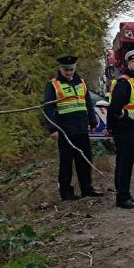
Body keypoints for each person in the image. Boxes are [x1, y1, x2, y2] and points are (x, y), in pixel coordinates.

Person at [42, 55, 103, 201]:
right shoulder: (53, 85)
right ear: (60, 69)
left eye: (71, 69)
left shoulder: (81, 82)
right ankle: (66, 193)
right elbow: (48, 108)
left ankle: (87, 189)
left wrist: (93, 121)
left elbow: (87, 103)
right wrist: (53, 129)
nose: (69, 72)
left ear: (74, 69)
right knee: (66, 163)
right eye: (66, 69)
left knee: (85, 159)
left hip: (81, 128)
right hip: (65, 131)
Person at [108, 48, 134, 209]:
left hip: (130, 130)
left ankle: (124, 195)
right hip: (125, 130)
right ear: (129, 63)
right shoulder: (125, 82)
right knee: (124, 165)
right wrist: (117, 124)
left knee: (125, 163)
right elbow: (114, 109)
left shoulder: (133, 81)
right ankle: (123, 197)